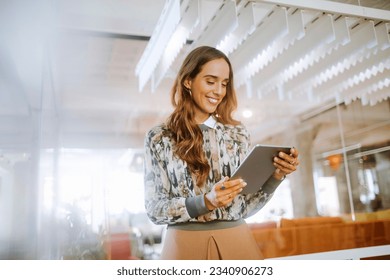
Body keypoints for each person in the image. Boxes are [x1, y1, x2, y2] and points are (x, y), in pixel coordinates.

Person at [143, 46, 299, 260]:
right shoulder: (160, 137)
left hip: (238, 241)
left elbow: (246, 207)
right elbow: (155, 209)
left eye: (224, 84)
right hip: (184, 245)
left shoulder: (238, 133)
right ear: (188, 81)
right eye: (210, 81)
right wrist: (206, 202)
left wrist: (276, 176)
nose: (219, 91)